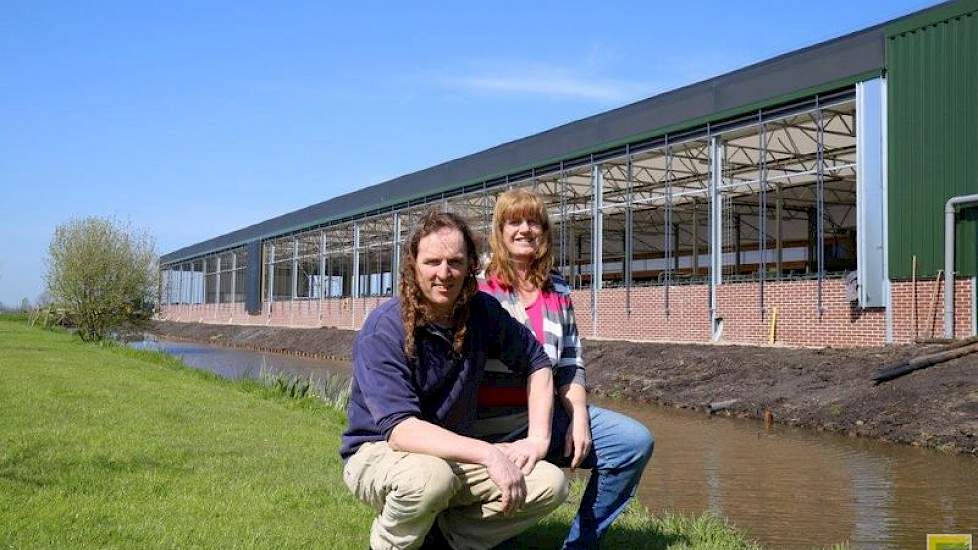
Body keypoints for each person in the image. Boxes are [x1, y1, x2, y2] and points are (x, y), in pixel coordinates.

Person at [340, 211, 569, 550]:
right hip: (378, 451)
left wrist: (537, 439)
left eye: (455, 262)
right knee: (429, 478)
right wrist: (490, 454)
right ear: (413, 265)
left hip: (451, 453)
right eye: (432, 262)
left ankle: (446, 540)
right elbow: (401, 429)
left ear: (470, 265)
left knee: (550, 482)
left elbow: (537, 361)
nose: (444, 274)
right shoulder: (384, 329)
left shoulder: (481, 311)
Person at [475, 189, 655, 549]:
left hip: (546, 419)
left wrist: (578, 417)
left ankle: (581, 544)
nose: (525, 229)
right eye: (515, 221)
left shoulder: (555, 285)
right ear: (499, 229)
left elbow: (571, 359)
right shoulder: (477, 284)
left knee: (632, 442)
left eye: (534, 222)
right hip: (486, 427)